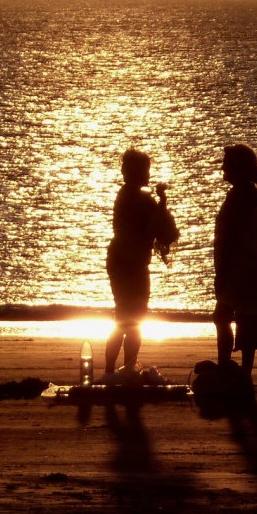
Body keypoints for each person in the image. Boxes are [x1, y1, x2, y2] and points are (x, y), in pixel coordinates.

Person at [104, 148, 179, 381]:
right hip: (131, 264)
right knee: (133, 320)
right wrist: (162, 202)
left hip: (120, 260)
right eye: (145, 170)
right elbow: (163, 229)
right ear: (133, 172)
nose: (148, 174)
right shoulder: (138, 199)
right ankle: (124, 369)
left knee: (124, 318)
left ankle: (116, 369)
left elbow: (155, 226)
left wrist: (160, 203)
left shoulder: (125, 195)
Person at [213, 144, 257, 388]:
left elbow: (230, 237)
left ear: (236, 168)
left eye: (226, 164)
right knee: (243, 315)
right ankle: (241, 371)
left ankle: (228, 368)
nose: (222, 168)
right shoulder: (246, 194)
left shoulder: (241, 196)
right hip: (251, 263)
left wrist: (222, 272)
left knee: (225, 315)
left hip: (242, 264)